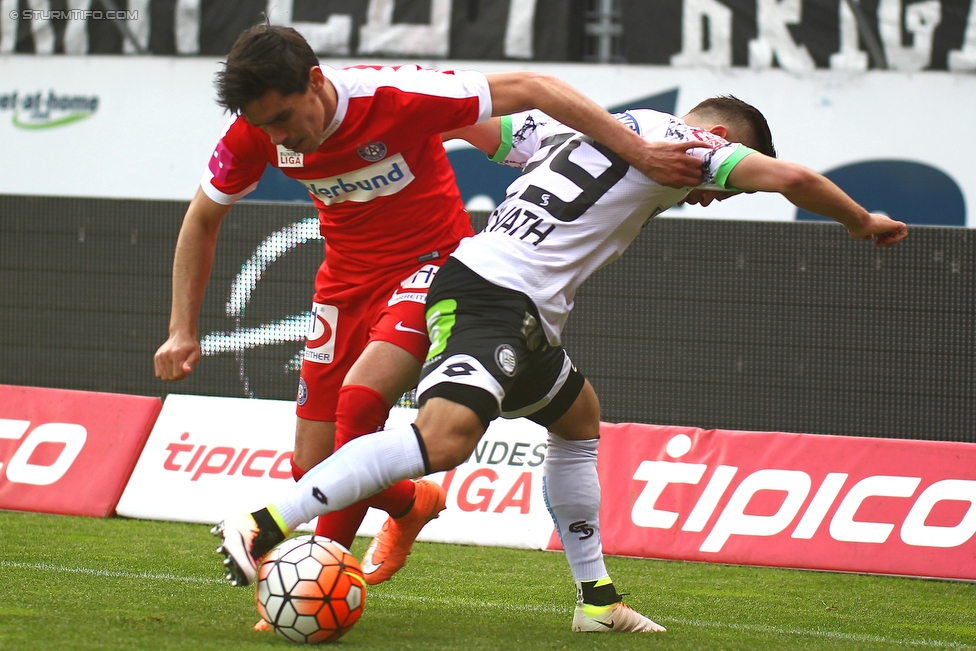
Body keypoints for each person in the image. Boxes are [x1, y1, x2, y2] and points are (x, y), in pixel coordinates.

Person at [212, 96, 907, 632]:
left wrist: (417, 131)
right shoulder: (693, 147)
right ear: (719, 139)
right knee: (445, 438)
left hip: (527, 309)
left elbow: (487, 131)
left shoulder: (604, 124)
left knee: (578, 421)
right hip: (493, 292)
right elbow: (791, 177)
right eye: (723, 185)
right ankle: (263, 521)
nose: (709, 196)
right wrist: (859, 221)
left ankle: (597, 601)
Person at [154, 21, 705, 597]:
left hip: (434, 268)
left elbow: (537, 87)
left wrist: (637, 149)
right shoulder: (255, 134)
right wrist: (180, 330)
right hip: (343, 284)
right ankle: (412, 503)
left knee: (361, 402)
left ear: (316, 81)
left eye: (285, 118)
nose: (279, 137)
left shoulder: (397, 95)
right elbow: (201, 219)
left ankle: (321, 583)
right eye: (265, 125)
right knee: (310, 465)